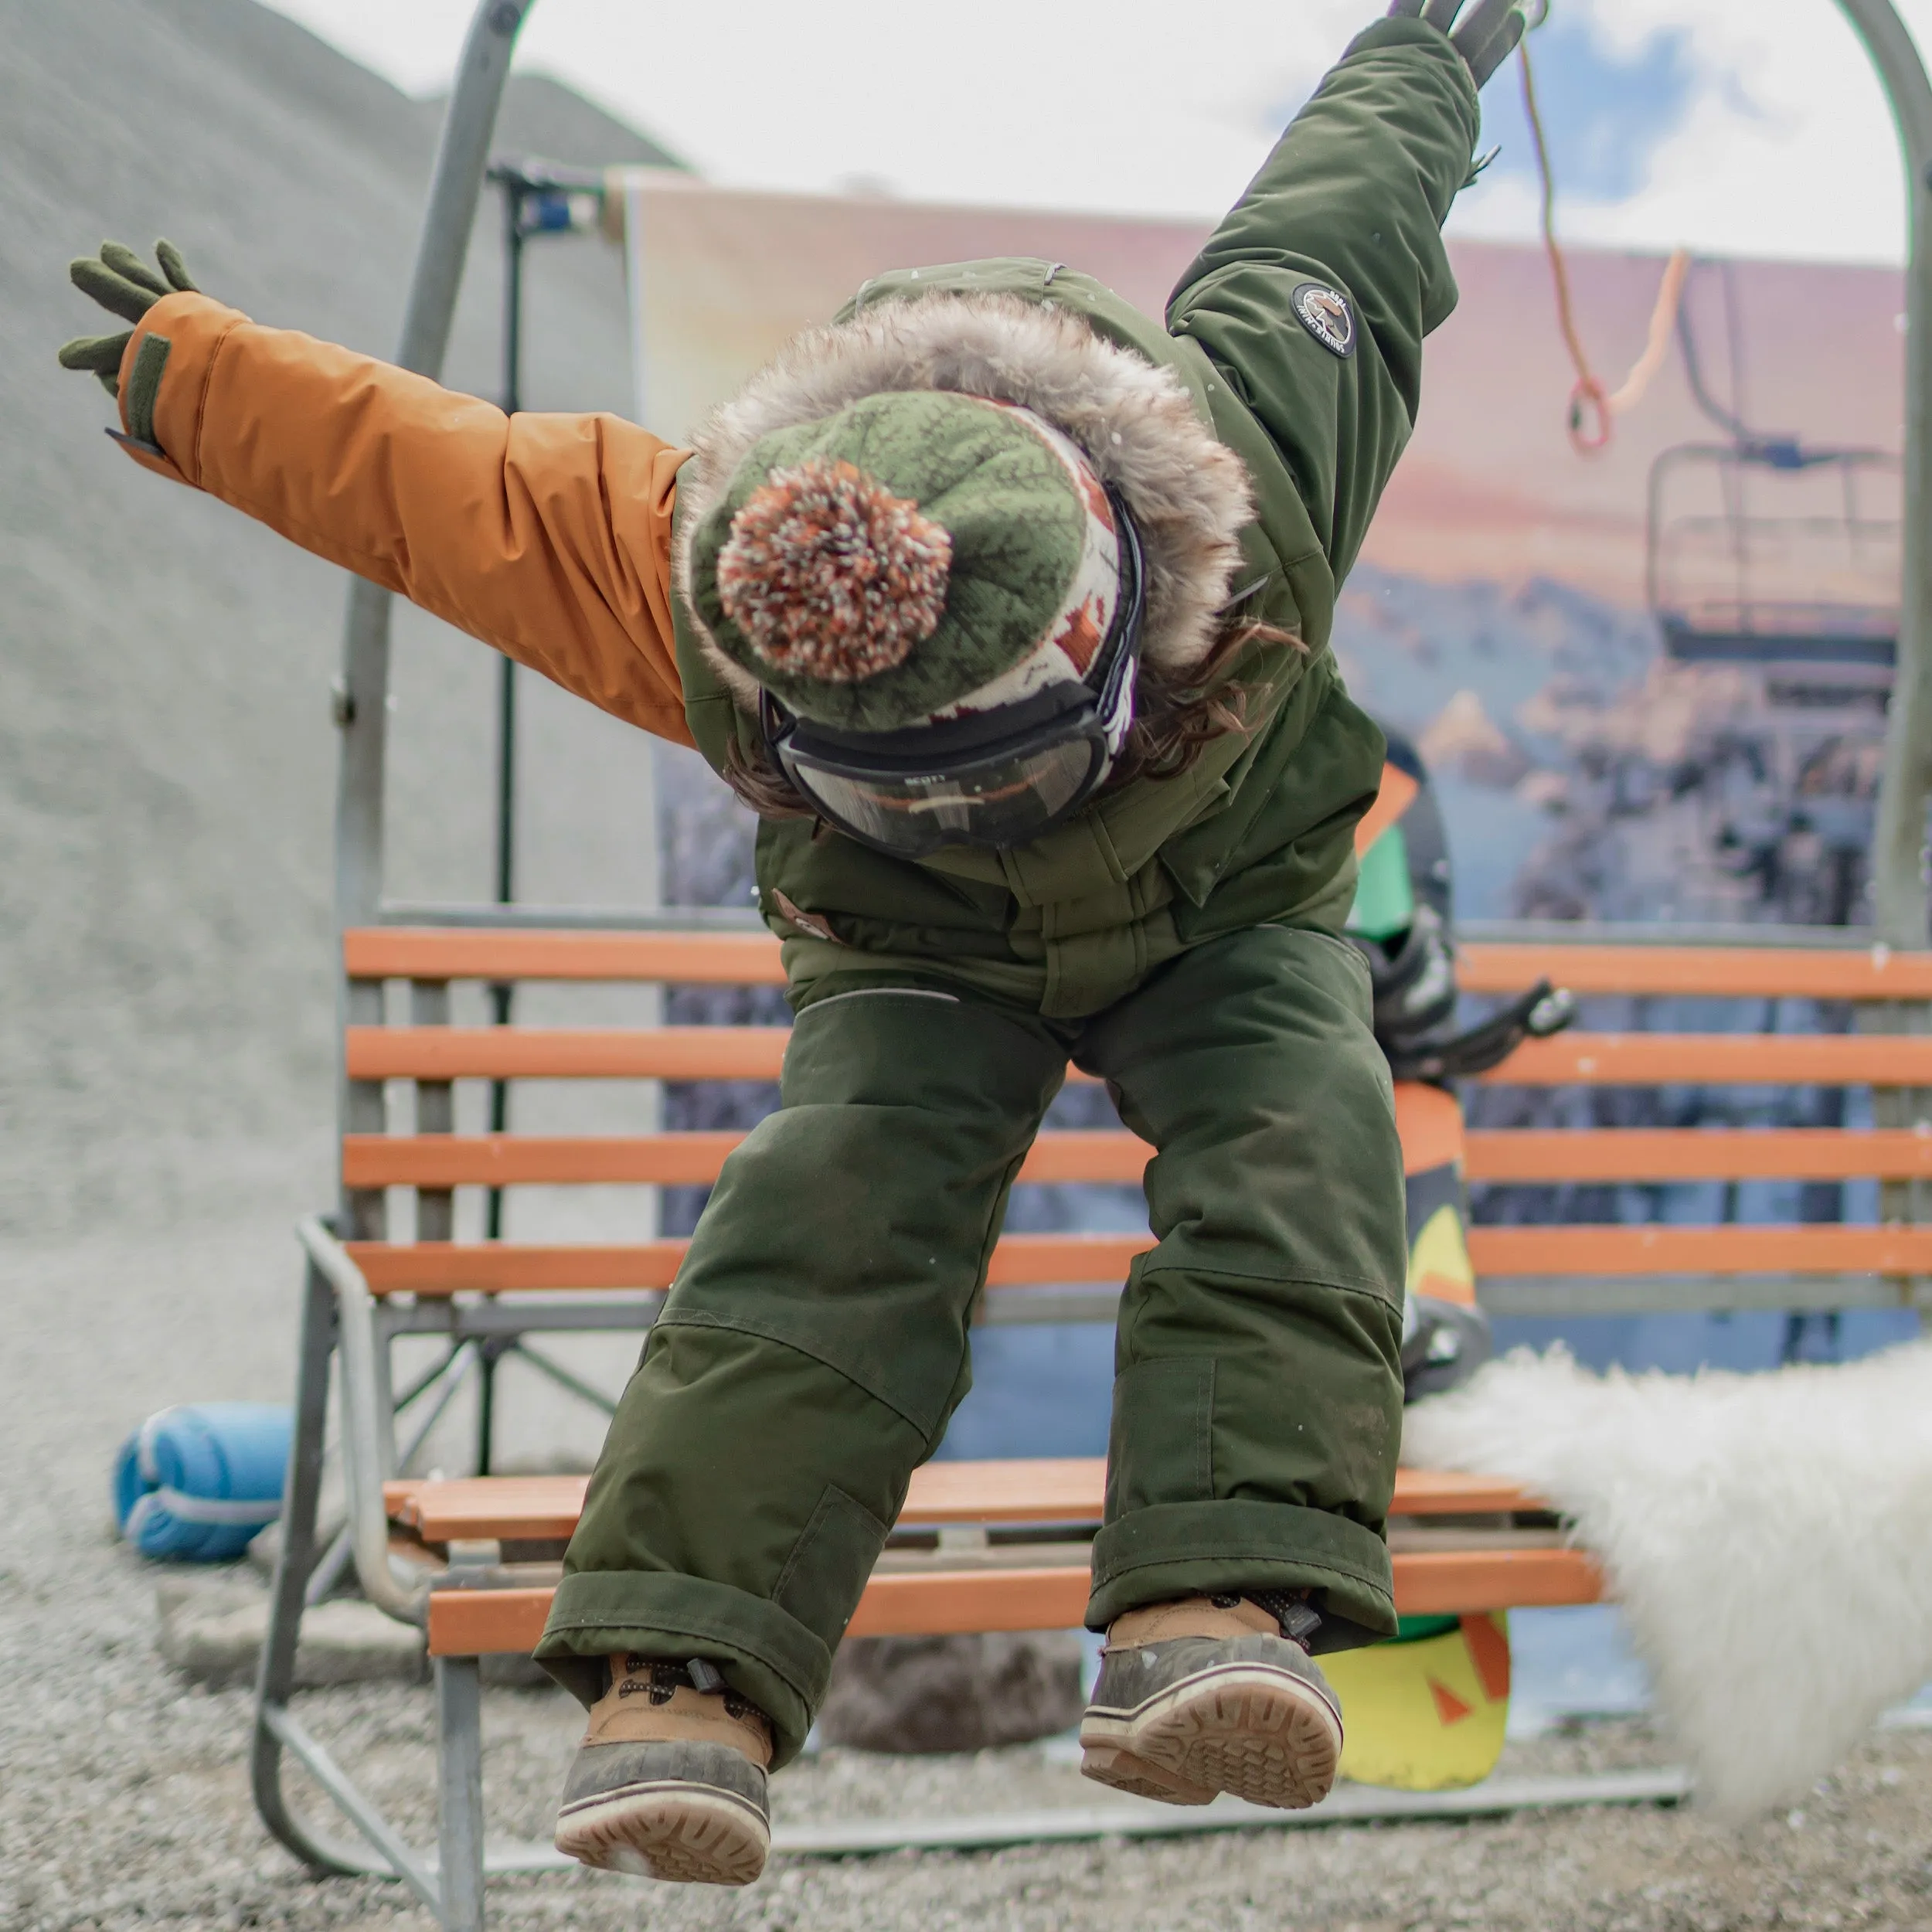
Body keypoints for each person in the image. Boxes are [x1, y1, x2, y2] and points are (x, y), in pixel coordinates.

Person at [60, 0, 1526, 1886]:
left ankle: (1218, 1594)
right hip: (918, 954)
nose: (970, 809)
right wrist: (200, 377)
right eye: (907, 778)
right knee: (835, 1205)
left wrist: (1431, 43)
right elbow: (448, 485)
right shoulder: (688, 568)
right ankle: (687, 1670)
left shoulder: (1250, 447)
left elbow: (1341, 206)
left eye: (987, 776)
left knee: (1304, 1143)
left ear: (1103, 635)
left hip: (1222, 891)